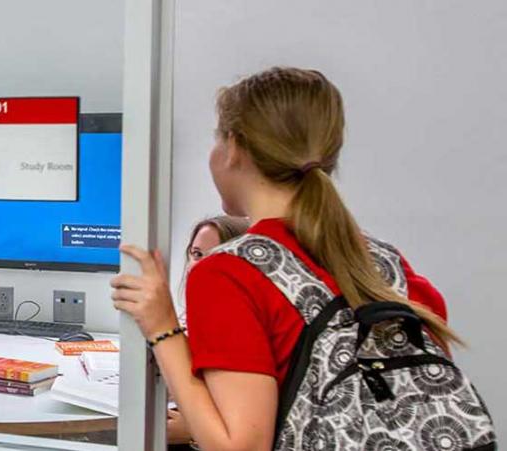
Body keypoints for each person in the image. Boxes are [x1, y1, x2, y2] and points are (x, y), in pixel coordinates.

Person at [111, 67, 466, 450]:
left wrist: (163, 329)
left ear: (233, 148)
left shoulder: (229, 272)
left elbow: (240, 447)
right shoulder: (384, 261)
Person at [166, 216, 250, 448]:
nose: (200, 265)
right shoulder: (197, 320)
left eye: (216, 257)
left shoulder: (247, 334)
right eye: (197, 254)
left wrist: (192, 433)